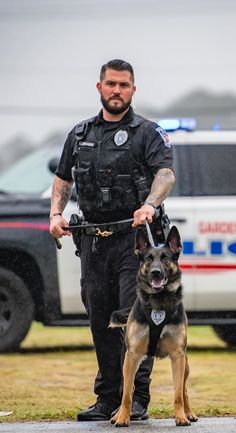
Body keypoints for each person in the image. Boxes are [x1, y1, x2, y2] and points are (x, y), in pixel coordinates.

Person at [50, 59, 175, 421]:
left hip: (133, 242)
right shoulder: (79, 134)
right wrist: (55, 214)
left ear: (133, 90)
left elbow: (165, 173)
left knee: (133, 320)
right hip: (92, 241)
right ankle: (107, 398)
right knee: (100, 319)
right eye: (111, 84)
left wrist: (149, 205)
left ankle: (135, 399)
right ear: (99, 87)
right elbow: (62, 178)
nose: (117, 90)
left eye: (123, 85)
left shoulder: (148, 133)